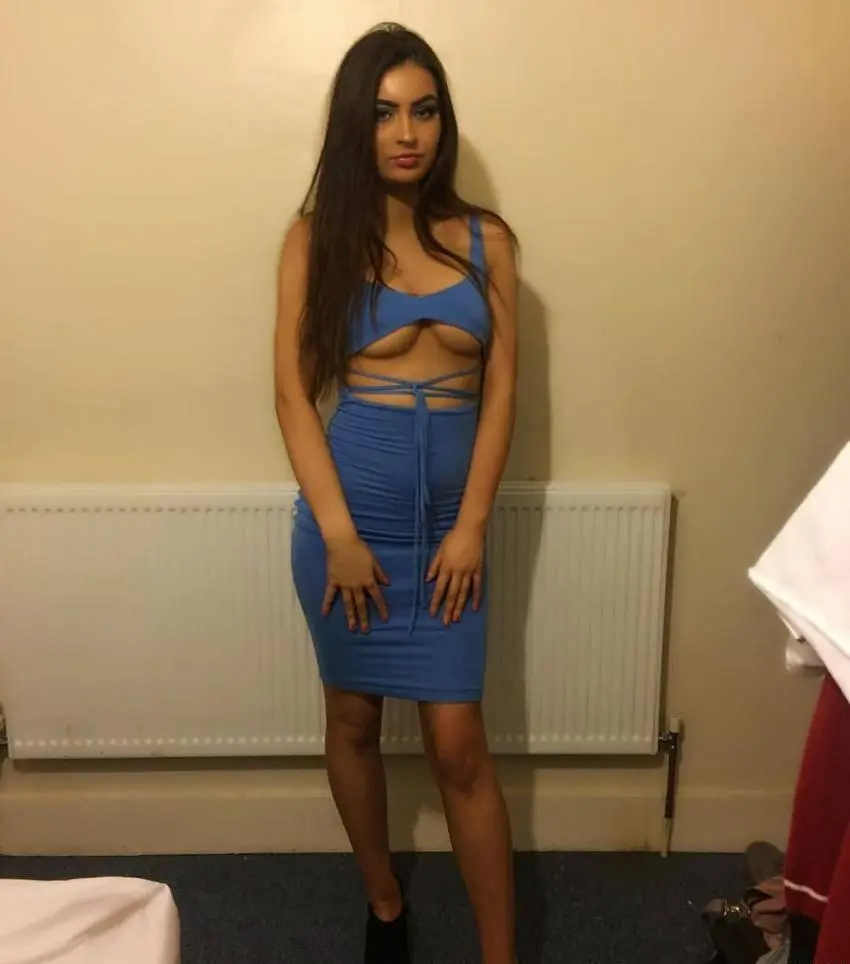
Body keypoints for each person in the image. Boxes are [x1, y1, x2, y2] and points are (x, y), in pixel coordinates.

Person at [273, 22, 519, 964]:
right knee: (352, 719)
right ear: (355, 124)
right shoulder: (314, 241)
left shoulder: (487, 241)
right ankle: (385, 905)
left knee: (459, 746)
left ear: (443, 122)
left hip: (451, 536)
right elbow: (292, 394)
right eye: (383, 113)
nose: (407, 133)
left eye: (423, 110)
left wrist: (473, 526)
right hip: (350, 529)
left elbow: (503, 390)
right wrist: (337, 534)